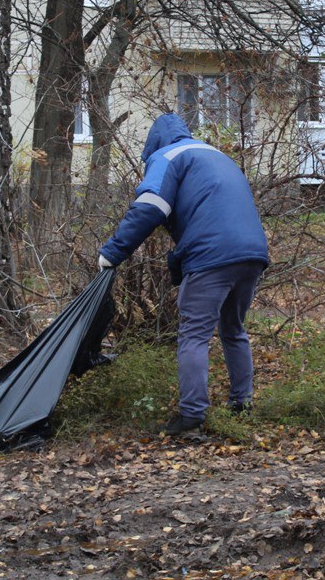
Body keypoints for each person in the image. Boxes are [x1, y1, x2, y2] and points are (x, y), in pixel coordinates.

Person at [98, 113, 270, 436]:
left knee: (194, 334)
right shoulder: (217, 155)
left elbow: (150, 208)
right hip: (253, 253)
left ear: (154, 144)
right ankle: (241, 405)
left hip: (211, 254)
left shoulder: (167, 156)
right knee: (233, 328)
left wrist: (112, 252)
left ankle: (191, 418)